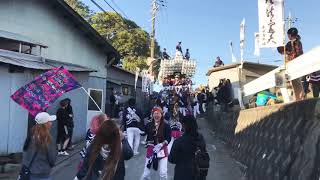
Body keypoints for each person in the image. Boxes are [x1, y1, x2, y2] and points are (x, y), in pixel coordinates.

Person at [169, 115, 209, 180]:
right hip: (198, 174)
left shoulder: (179, 141)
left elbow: (171, 159)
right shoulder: (200, 138)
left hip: (182, 174)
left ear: (184, 126)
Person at [21, 112, 57, 180]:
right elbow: (52, 158)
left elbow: (26, 152)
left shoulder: (31, 134)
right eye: (49, 121)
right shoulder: (47, 139)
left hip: (30, 170)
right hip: (43, 172)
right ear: (45, 124)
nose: (51, 123)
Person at [140, 107, 171, 180]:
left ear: (161, 115)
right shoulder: (148, 125)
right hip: (151, 151)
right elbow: (144, 133)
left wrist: (161, 144)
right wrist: (139, 130)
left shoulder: (166, 126)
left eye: (158, 113)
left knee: (163, 173)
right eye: (155, 113)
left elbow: (168, 138)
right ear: (152, 115)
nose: (156, 115)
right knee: (146, 173)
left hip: (162, 151)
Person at [278, 27, 304, 100]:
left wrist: (285, 51)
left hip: (294, 64)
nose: (288, 36)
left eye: (288, 35)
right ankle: (298, 98)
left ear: (290, 35)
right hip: (295, 64)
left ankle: (298, 98)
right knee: (295, 82)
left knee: (296, 82)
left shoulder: (294, 42)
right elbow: (283, 50)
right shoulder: (296, 42)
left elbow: (296, 53)